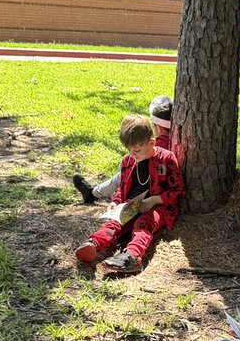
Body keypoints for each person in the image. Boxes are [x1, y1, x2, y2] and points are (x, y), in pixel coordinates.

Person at [74, 113, 183, 274]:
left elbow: (178, 191)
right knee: (114, 224)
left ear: (151, 142)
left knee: (143, 225)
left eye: (137, 150)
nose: (133, 154)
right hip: (130, 205)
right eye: (129, 150)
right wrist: (115, 202)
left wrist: (154, 200)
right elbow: (122, 187)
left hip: (157, 207)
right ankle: (92, 244)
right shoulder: (127, 161)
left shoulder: (166, 159)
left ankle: (133, 255)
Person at [73, 96, 173, 204]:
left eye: (153, 126)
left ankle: (93, 193)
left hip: (149, 184)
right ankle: (96, 193)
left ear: (159, 128)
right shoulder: (173, 139)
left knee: (123, 174)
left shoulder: (160, 144)